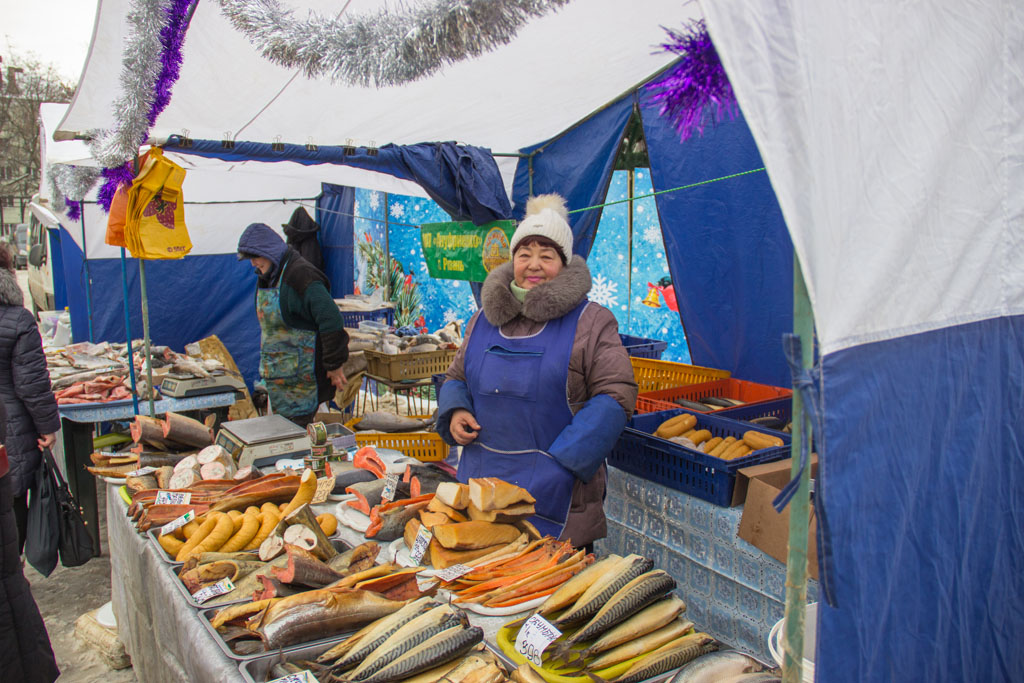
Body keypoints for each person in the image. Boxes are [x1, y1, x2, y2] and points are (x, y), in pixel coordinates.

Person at [437, 194, 638, 549]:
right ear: (512, 260)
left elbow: (615, 395)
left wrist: (561, 464)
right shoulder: (483, 319)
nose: (533, 264)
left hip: (558, 493)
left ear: (563, 264)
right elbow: (457, 378)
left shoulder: (591, 321)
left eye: (547, 256)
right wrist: (455, 410)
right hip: (482, 493)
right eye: (524, 254)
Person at [0, 249, 60, 681]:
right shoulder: (17, 320)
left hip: (9, 439)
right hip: (10, 439)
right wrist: (48, 427)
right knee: (9, 540)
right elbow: (32, 383)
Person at [237, 222, 349, 427]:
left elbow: (330, 318)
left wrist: (334, 364)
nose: (253, 263)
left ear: (268, 251)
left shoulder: (301, 275)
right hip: (278, 380)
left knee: (306, 442)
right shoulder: (267, 277)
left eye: (255, 257)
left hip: (304, 386)